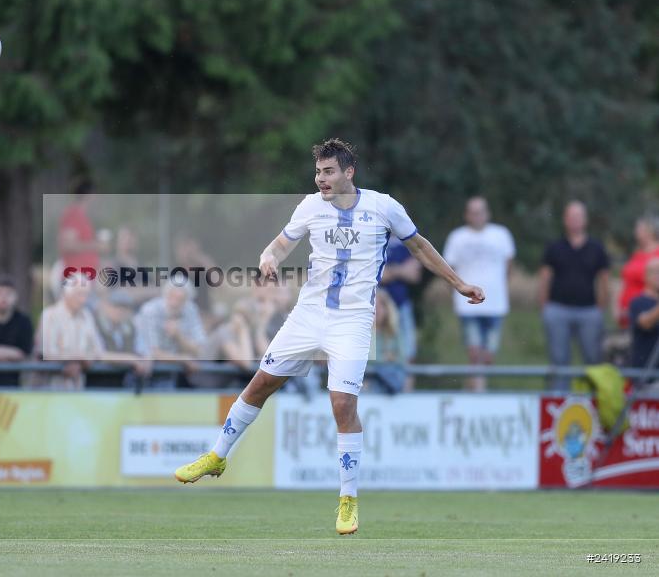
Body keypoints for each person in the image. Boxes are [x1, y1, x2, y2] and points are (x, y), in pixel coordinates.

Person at [173, 138, 484, 536]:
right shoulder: (309, 206)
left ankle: (348, 499)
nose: (321, 179)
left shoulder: (384, 206)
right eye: (318, 171)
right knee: (260, 384)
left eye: (329, 171)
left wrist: (459, 284)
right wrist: (269, 257)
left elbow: (420, 248)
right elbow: (282, 244)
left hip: (353, 321)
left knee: (341, 404)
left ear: (348, 172)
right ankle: (217, 456)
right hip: (308, 314)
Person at [443, 197, 515, 391]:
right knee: (475, 355)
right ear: (467, 215)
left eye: (480, 211)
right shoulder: (456, 237)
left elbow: (509, 267)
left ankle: (473, 390)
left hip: (495, 305)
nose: (477, 216)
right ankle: (477, 395)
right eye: (473, 212)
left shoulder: (502, 235)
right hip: (468, 306)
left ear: (487, 213)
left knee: (488, 357)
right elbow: (449, 271)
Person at [539, 201, 610, 390]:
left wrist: (601, 307)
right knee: (559, 359)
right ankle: (558, 401)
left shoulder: (596, 247)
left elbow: (604, 279)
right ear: (565, 220)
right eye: (571, 216)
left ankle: (594, 399)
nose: (575, 221)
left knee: (593, 358)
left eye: (578, 216)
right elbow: (545, 277)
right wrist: (545, 306)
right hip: (558, 309)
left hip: (588, 310)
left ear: (585, 220)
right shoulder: (554, 247)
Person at [33, 273, 104, 390]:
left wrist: (79, 361)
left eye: (86, 295)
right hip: (49, 389)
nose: (83, 299)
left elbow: (97, 350)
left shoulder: (87, 316)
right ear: (66, 293)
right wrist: (81, 358)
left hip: (77, 389)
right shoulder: (50, 315)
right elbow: (47, 352)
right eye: (79, 294)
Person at [135, 279, 207, 381]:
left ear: (187, 300)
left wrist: (179, 336)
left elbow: (199, 350)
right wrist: (184, 359)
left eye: (180, 299)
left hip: (178, 372)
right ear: (165, 295)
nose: (175, 303)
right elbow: (152, 352)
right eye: (172, 297)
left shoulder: (190, 310)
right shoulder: (150, 310)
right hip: (147, 372)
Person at [379, 234, 422, 390]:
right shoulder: (373, 240)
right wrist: (400, 270)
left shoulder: (409, 243)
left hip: (401, 305)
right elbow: (373, 274)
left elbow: (414, 275)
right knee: (375, 352)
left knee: (408, 351)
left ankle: (407, 394)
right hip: (378, 306)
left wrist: (390, 270)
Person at [92, 290, 152, 388]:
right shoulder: (95, 324)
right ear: (106, 307)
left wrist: (147, 361)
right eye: (116, 306)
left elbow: (144, 350)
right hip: (97, 384)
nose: (119, 311)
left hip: (124, 385)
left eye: (124, 307)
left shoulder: (131, 327)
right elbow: (99, 355)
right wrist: (133, 360)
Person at [57, 180, 107, 280]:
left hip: (88, 278)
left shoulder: (84, 217)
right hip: (76, 277)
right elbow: (67, 245)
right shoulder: (73, 214)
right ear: (89, 195)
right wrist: (95, 245)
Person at [617, 216, 659, 328]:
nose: (635, 232)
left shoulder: (657, 254)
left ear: (649, 230)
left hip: (648, 312)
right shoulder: (637, 254)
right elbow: (626, 281)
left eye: (638, 228)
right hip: (627, 312)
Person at [628, 258, 659, 369]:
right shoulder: (638, 302)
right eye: (656, 272)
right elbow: (645, 323)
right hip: (645, 374)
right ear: (646, 276)